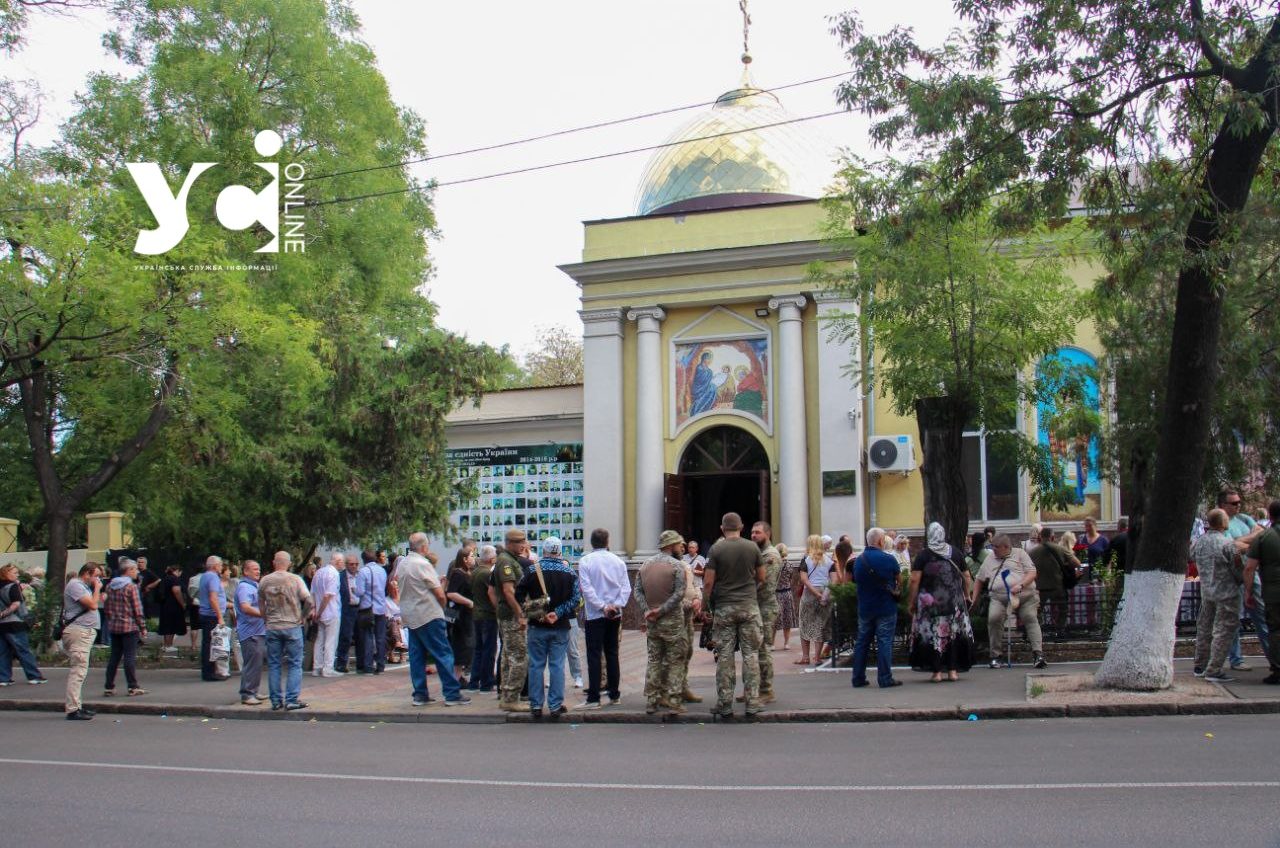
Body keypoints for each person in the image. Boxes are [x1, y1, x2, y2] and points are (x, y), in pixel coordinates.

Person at [704, 512, 765, 719]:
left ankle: (725, 704)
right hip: (749, 606)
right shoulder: (752, 547)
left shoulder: (716, 549)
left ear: (722, 528)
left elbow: (709, 582)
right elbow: (762, 577)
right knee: (751, 655)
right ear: (742, 526)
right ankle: (752, 703)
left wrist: (706, 605)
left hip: (725, 608)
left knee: (725, 656)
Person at [400, 533, 470, 707]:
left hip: (410, 614)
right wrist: (442, 605)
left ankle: (420, 694)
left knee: (417, 656)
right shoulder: (423, 564)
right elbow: (439, 593)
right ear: (424, 547)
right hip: (428, 614)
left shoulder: (403, 563)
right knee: (443, 653)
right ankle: (452, 694)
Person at [517, 536, 581, 719]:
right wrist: (558, 613)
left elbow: (519, 595)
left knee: (536, 665)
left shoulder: (531, 570)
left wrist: (538, 613)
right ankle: (555, 705)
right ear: (560, 552)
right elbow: (576, 599)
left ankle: (536, 705)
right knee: (557, 665)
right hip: (560, 626)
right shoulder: (569, 572)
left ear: (544, 551)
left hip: (537, 626)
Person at [908, 523, 975, 681]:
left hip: (930, 604)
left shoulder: (923, 555)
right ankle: (953, 671)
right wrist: (966, 595)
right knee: (952, 634)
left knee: (934, 635)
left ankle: (936, 672)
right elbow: (966, 576)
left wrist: (911, 601)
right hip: (954, 603)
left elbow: (914, 579)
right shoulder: (956, 553)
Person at [574, 527, 630, 710]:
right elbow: (626, 588)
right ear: (607, 542)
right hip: (614, 613)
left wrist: (602, 606)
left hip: (595, 614)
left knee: (594, 654)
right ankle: (614, 694)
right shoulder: (618, 561)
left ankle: (594, 697)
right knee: (612, 652)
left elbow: (586, 589)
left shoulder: (585, 561)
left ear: (591, 543)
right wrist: (616, 605)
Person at [634, 530, 689, 715]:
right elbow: (680, 593)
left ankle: (652, 700)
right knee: (675, 660)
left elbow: (638, 592)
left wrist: (648, 610)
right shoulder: (677, 566)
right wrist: (662, 610)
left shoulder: (645, 565)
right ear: (671, 545)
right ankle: (673, 700)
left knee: (654, 660)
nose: (680, 548)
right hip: (672, 620)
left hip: (652, 622)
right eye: (678, 544)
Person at [974, 533, 1044, 669]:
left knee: (1029, 617)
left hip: (1024, 595)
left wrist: (1021, 584)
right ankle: (995, 655)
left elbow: (1032, 572)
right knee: (994, 619)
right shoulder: (990, 558)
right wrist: (975, 598)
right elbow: (979, 579)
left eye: (996, 547)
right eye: (992, 546)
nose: (993, 550)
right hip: (999, 597)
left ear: (1006, 547)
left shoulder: (1020, 554)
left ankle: (1038, 654)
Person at [1192, 509, 1245, 682]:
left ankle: (1200, 665)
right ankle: (1214, 669)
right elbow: (1238, 569)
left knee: (1205, 629)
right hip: (1227, 593)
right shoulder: (1227, 544)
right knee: (1224, 630)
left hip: (1207, 592)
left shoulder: (1200, 543)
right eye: (1227, 518)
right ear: (1222, 522)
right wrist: (1242, 580)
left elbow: (1191, 556)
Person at [1222, 490, 1273, 672]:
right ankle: (1236, 659)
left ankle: (1273, 658)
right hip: (1233, 577)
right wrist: (1250, 543)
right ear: (1223, 505)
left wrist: (1242, 542)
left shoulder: (1243, 518)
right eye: (1233, 503)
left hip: (1251, 575)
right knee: (1233, 619)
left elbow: (1261, 533)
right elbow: (1230, 548)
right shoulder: (1222, 522)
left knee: (1262, 617)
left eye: (1238, 502)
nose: (1238, 505)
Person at [258, 550, 313, 711]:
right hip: (292, 625)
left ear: (274, 562)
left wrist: (265, 619)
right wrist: (303, 616)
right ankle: (291, 699)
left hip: (273, 626)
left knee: (274, 664)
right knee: (295, 663)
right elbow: (308, 600)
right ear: (289, 563)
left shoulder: (265, 581)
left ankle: (275, 700)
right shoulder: (295, 579)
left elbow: (261, 603)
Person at [851, 528, 905, 688]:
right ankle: (885, 678)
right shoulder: (889, 559)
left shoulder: (859, 560)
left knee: (862, 642)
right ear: (881, 541)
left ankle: (858, 678)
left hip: (865, 608)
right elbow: (900, 581)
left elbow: (855, 581)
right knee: (884, 641)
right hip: (886, 607)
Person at [492, 529, 530, 712]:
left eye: (523, 541)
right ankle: (511, 697)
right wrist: (520, 615)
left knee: (508, 657)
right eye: (518, 542)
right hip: (511, 616)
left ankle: (507, 696)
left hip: (507, 614)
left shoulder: (508, 559)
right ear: (509, 543)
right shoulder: (506, 562)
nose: (523, 545)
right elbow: (508, 591)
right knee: (519, 657)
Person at [1243, 500, 1280, 685]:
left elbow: (1249, 568)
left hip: (1273, 593)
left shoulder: (1263, 538)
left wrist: (1248, 592)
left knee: (1274, 631)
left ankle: (1277, 670)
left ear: (1270, 516)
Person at [62, 562, 102, 720]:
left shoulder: (82, 586)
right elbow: (92, 605)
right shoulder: (75, 585)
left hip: (84, 631)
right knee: (78, 670)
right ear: (87, 573)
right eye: (96, 576)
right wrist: (97, 589)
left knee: (80, 670)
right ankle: (72, 709)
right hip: (80, 632)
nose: (98, 579)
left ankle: (77, 705)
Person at [103, 558, 147, 697]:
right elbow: (137, 609)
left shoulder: (110, 586)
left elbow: (107, 608)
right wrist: (143, 627)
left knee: (114, 657)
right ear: (129, 571)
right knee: (129, 657)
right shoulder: (130, 587)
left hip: (114, 626)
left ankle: (109, 686)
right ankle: (132, 686)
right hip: (129, 626)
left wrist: (111, 620)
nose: (137, 572)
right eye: (135, 569)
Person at [749, 521, 783, 703]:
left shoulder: (770, 556)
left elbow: (765, 586)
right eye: (752, 532)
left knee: (764, 650)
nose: (754, 535)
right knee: (754, 650)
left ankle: (766, 690)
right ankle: (754, 688)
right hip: (756, 606)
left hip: (765, 608)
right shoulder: (758, 554)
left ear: (767, 534)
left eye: (758, 533)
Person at [0, 563, 46, 687]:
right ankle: (34, 676)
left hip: (1, 626)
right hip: (14, 623)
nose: (17, 574)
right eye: (14, 572)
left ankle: (3, 678)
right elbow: (16, 604)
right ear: (6, 574)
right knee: (23, 650)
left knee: (3, 652)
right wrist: (4, 613)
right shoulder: (13, 586)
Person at [235, 560, 267, 705]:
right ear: (245, 571)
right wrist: (263, 614)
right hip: (250, 632)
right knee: (252, 662)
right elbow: (245, 607)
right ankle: (247, 694)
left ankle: (253, 690)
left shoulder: (254, 586)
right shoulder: (245, 587)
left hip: (258, 630)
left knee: (257, 662)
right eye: (254, 569)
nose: (258, 572)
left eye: (259, 569)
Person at [1030, 528, 1071, 640]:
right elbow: (1076, 562)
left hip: (1040, 588)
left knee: (1037, 610)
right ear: (1052, 537)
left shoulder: (1032, 552)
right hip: (1058, 586)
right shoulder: (1060, 549)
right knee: (1063, 609)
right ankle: (1060, 631)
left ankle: (1037, 632)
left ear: (1040, 537)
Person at [796, 534, 830, 665]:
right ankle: (817, 657)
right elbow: (833, 579)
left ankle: (805, 657)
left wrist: (815, 593)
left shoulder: (806, 559)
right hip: (825, 592)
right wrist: (823, 594)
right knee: (820, 624)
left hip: (809, 594)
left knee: (805, 624)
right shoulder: (829, 560)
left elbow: (804, 579)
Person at [469, 545, 499, 692]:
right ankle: (486, 682)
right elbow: (492, 593)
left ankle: (474, 681)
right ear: (492, 558)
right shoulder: (488, 574)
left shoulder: (474, 572)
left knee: (479, 649)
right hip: (488, 614)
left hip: (477, 613)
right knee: (489, 649)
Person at [445, 547, 476, 685]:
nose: (473, 558)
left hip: (466, 616)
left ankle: (458, 677)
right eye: (471, 556)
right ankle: (455, 680)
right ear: (464, 559)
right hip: (460, 617)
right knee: (460, 647)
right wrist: (469, 602)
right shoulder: (458, 573)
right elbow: (451, 593)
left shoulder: (468, 573)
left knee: (465, 647)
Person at [356, 549, 388, 675]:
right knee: (380, 637)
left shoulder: (363, 572)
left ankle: (368, 666)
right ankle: (381, 665)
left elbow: (360, 592)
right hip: (381, 607)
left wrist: (354, 590)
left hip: (368, 608)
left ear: (363, 559)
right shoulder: (382, 570)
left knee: (368, 637)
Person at [196, 555, 228, 681]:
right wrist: (220, 616)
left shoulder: (204, 576)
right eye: (220, 565)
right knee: (211, 644)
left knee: (207, 643)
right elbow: (213, 597)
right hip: (211, 615)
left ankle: (208, 671)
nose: (221, 568)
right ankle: (210, 673)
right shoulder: (213, 577)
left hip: (205, 613)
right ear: (215, 566)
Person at [310, 553, 342, 678]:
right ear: (338, 561)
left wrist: (315, 610)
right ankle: (328, 668)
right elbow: (328, 595)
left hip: (320, 612)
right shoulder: (334, 574)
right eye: (342, 562)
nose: (342, 564)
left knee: (319, 640)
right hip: (331, 611)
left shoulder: (318, 573)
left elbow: (312, 593)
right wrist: (320, 611)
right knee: (331, 641)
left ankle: (317, 667)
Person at [334, 554, 362, 672]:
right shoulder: (340, 577)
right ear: (346, 565)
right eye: (351, 564)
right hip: (347, 609)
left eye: (356, 564)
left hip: (360, 609)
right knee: (345, 637)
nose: (354, 566)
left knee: (361, 637)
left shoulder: (361, 575)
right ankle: (341, 663)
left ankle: (361, 664)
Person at [155, 564, 187, 652]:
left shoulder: (165, 578)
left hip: (164, 605)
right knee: (172, 626)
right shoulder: (174, 579)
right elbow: (177, 591)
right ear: (177, 571)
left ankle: (166, 645)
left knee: (166, 625)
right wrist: (183, 603)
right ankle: (169, 645)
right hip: (173, 606)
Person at [773, 546, 797, 650]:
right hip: (787, 593)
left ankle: (772, 644)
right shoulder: (789, 565)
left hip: (776, 594)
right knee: (787, 619)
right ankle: (786, 643)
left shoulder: (774, 565)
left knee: (773, 620)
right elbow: (792, 579)